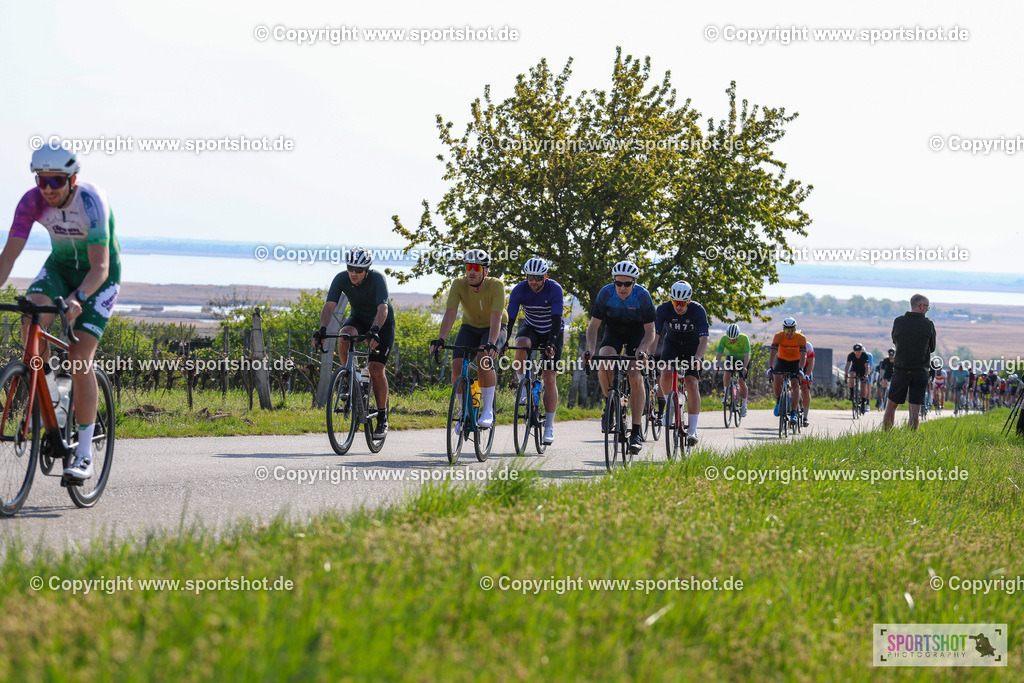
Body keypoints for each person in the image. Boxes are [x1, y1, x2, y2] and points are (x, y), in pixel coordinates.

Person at [0, 146, 121, 479]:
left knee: (80, 353)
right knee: (30, 317)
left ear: (72, 179)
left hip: (98, 278)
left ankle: (83, 453)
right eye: (42, 180)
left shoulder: (92, 201)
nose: (48, 188)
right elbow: (7, 258)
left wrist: (78, 297)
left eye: (56, 180)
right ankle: (53, 392)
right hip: (59, 268)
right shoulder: (31, 202)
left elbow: (100, 265)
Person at [314, 247, 394, 437]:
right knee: (345, 335)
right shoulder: (341, 278)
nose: (353, 273)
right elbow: (329, 306)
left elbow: (383, 307)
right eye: (350, 267)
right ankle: (348, 377)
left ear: (367, 270)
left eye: (358, 270)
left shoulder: (377, 279)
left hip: (382, 323)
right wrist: (322, 330)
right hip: (358, 319)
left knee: (375, 369)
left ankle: (382, 417)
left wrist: (375, 330)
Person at [430, 249, 508, 430]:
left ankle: (487, 409)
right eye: (468, 267)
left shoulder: (496, 285)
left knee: (484, 358)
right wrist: (441, 339)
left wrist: (491, 343)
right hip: (470, 327)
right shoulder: (458, 284)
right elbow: (450, 313)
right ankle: (463, 410)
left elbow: (496, 317)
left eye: (476, 267)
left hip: (494, 326)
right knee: (456, 366)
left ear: (485, 271)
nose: (471, 271)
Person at [585, 260, 656, 455]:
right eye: (618, 283)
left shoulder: (642, 296)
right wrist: (591, 349)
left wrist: (641, 350)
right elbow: (593, 327)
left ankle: (636, 431)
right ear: (614, 282)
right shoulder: (605, 293)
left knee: (635, 375)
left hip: (637, 336)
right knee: (604, 359)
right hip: (614, 333)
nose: (622, 287)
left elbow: (650, 332)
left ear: (634, 283)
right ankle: (610, 403)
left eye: (627, 284)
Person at [505, 257, 565, 445]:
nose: (534, 281)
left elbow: (556, 319)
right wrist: (504, 341)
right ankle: (524, 384)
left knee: (548, 378)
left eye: (538, 278)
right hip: (531, 327)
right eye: (530, 277)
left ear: (545, 276)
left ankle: (549, 426)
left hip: (552, 332)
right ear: (526, 276)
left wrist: (552, 344)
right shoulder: (519, 289)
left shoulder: (554, 289)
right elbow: (511, 318)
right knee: (521, 342)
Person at [650, 281, 709, 447]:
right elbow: (655, 335)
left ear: (689, 301)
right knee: (665, 372)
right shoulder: (663, 309)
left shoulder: (698, 310)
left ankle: (693, 430)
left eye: (682, 303)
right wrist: (650, 355)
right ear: (672, 299)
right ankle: (671, 405)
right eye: (676, 302)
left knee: (691, 383)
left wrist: (698, 357)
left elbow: (704, 340)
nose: (679, 307)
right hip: (673, 345)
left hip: (693, 348)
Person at [883, 293, 937, 430]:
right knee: (914, 409)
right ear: (921, 306)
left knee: (891, 405)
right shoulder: (928, 324)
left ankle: (885, 437)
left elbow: (895, 340)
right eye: (927, 307)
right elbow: (932, 347)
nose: (927, 310)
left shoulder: (899, 321)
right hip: (920, 371)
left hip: (901, 369)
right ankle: (910, 439)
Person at [767, 317, 807, 424]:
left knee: (795, 385)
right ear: (783, 329)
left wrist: (800, 369)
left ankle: (794, 412)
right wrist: (770, 367)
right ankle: (779, 401)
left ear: (795, 329)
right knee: (777, 378)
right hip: (782, 361)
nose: (789, 333)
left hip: (795, 362)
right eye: (787, 330)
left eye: (791, 330)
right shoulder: (778, 336)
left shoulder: (801, 338)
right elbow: (773, 353)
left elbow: (803, 356)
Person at [715, 323, 751, 418]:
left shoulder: (744, 338)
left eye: (734, 339)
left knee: (741, 381)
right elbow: (719, 353)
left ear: (738, 336)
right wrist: (717, 365)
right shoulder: (724, 339)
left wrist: (745, 367)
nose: (731, 341)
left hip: (743, 360)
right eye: (730, 339)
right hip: (731, 358)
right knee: (727, 371)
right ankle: (726, 394)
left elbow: (747, 355)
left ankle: (744, 405)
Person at [844, 344, 873, 414]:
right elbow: (847, 365)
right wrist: (846, 374)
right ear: (854, 352)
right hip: (854, 369)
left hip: (863, 371)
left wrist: (866, 375)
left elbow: (867, 367)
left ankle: (863, 403)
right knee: (852, 375)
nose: (857, 354)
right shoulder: (851, 355)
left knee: (864, 385)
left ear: (861, 351)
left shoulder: (865, 355)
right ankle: (851, 393)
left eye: (859, 352)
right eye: (856, 352)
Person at [800, 340, 815, 427]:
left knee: (805, 390)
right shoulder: (789, 344)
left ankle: (805, 417)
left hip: (806, 368)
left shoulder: (808, 346)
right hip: (794, 366)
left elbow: (811, 362)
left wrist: (807, 375)